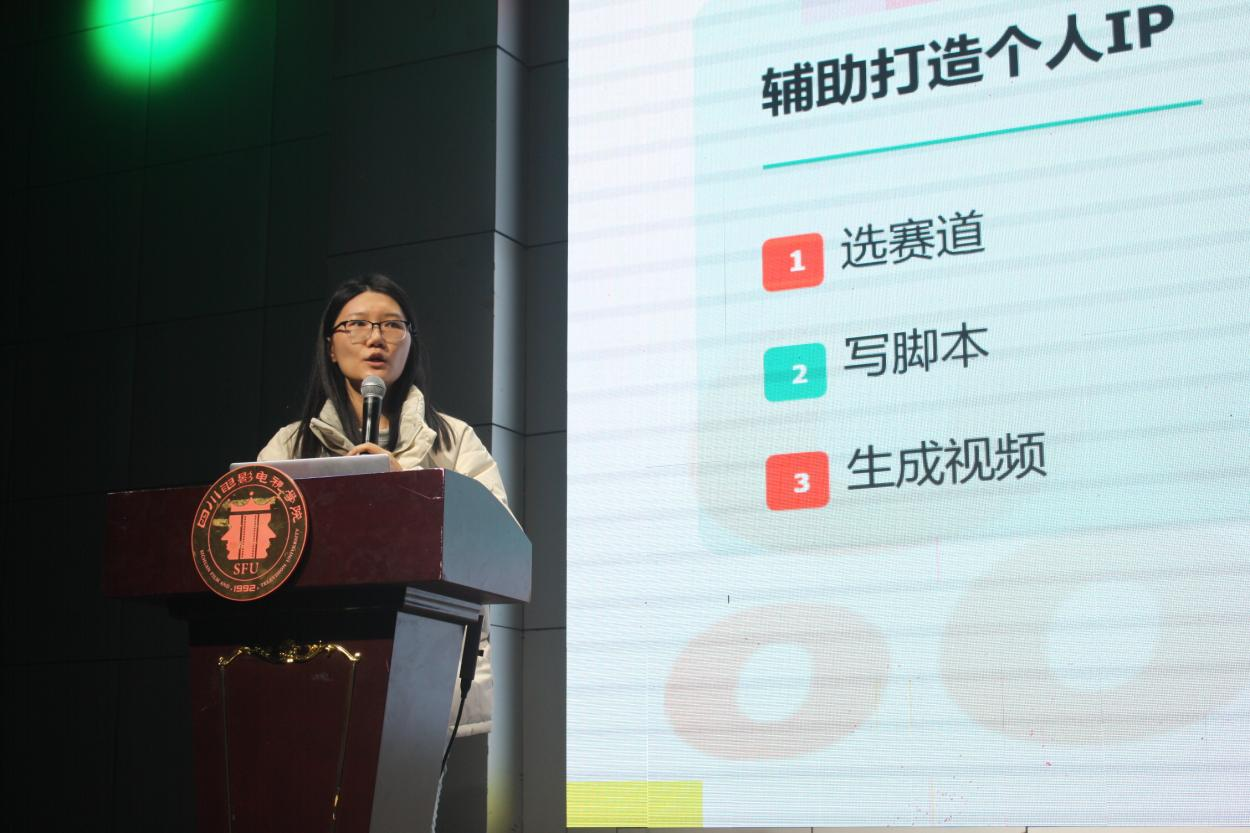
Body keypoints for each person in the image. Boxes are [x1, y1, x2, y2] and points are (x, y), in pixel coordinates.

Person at [257, 273, 509, 738]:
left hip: (426, 659)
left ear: (411, 342)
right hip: (313, 654)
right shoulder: (290, 446)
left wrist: (406, 488)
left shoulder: (453, 440)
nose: (376, 338)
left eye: (393, 325)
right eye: (356, 324)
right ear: (331, 347)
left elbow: (498, 545)